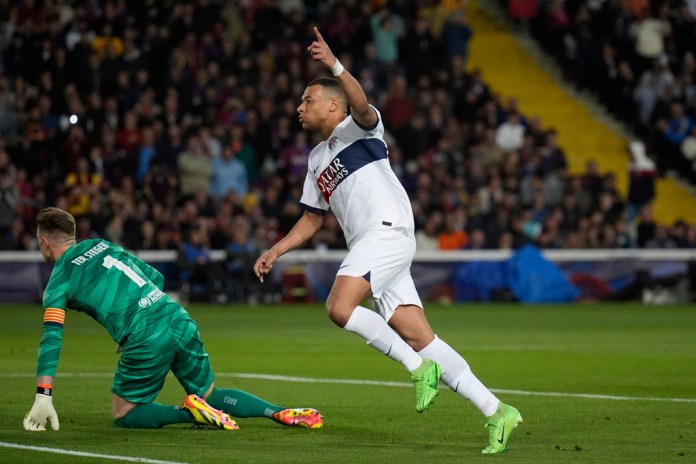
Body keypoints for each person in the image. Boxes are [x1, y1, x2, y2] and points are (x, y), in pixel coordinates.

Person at [253, 28, 521, 454]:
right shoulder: (315, 159)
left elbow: (360, 103)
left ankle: (418, 371)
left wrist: (336, 66)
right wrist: (276, 250)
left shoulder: (361, 130)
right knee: (420, 336)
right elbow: (311, 218)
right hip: (374, 246)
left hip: (387, 230)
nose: (299, 107)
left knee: (339, 307)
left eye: (308, 99)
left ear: (333, 103)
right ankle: (497, 411)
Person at [24, 207, 323, 432]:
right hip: (175, 316)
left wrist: (44, 395)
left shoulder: (58, 282)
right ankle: (277, 412)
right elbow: (154, 276)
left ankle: (188, 412)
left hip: (145, 336)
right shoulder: (104, 245)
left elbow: (52, 338)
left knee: (124, 413)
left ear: (45, 242)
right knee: (211, 393)